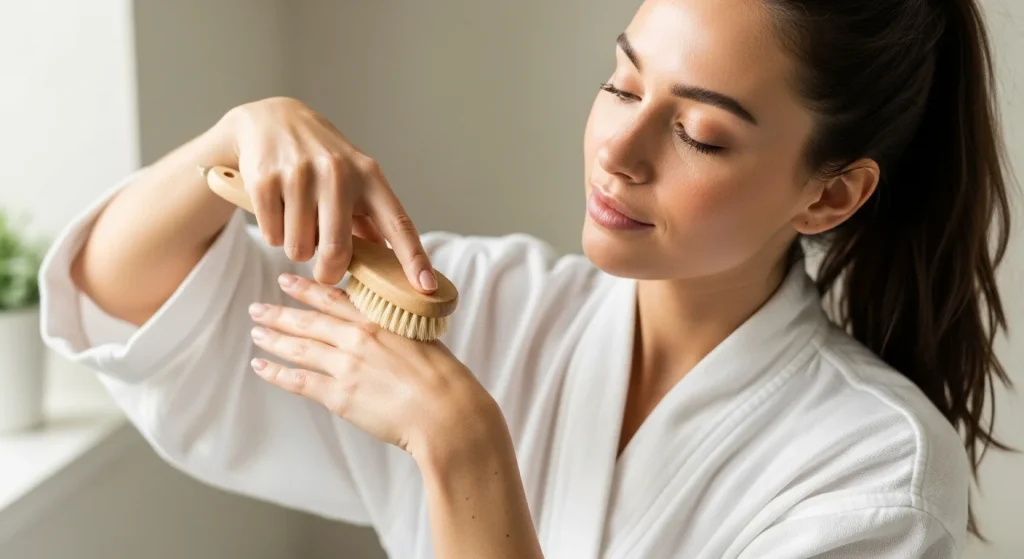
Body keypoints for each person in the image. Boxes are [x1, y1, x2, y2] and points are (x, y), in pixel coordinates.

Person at [38, 0, 1012, 556]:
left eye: (698, 132)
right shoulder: (497, 309)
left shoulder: (869, 477)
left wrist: (463, 453)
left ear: (829, 196)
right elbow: (136, 302)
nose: (617, 151)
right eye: (622, 84)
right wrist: (236, 135)